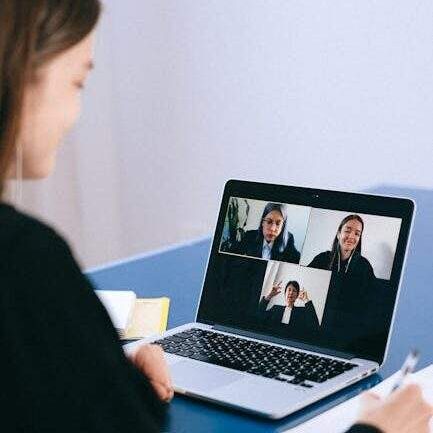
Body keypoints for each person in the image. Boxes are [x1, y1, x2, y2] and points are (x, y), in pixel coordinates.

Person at [0, 1, 431, 432]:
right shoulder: (27, 264)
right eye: (78, 82)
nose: (77, 113)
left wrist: (104, 374)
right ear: (20, 73)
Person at [308, 214, 379, 350]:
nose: (352, 236)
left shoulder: (364, 266)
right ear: (338, 233)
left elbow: (371, 305)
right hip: (318, 326)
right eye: (347, 230)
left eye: (357, 233)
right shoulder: (322, 258)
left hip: (348, 333)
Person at [232, 202, 301, 263]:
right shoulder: (250, 236)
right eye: (269, 222)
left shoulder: (288, 240)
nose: (272, 229)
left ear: (283, 226)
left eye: (278, 224)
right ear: (262, 222)